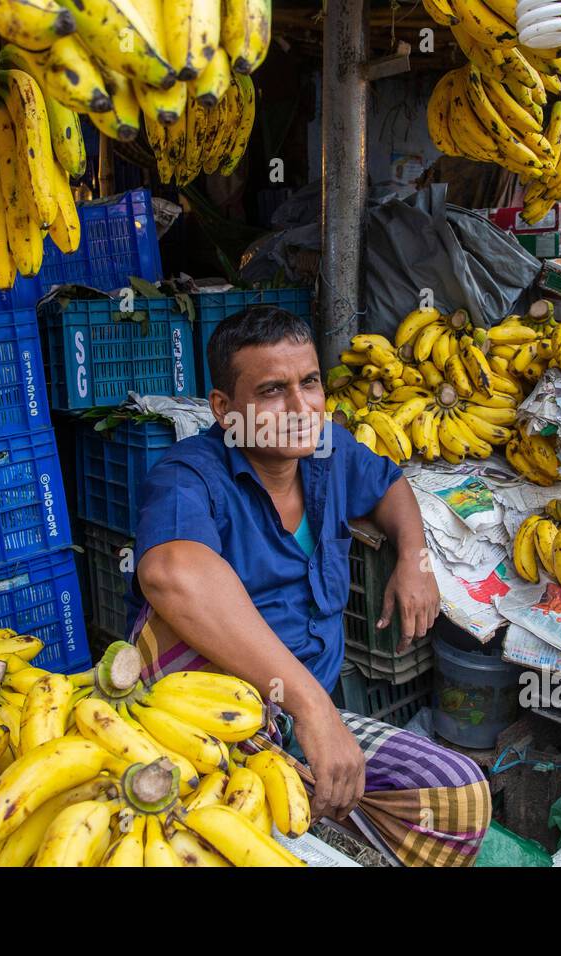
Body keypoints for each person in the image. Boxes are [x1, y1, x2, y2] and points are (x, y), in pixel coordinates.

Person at [131, 305, 491, 866]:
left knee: (459, 798)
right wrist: (311, 707)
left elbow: (390, 486)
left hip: (305, 722)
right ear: (225, 410)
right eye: (273, 391)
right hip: (213, 727)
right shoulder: (189, 474)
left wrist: (414, 560)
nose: (301, 408)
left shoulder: (326, 451)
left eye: (311, 382)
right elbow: (169, 572)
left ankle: (305, 801)